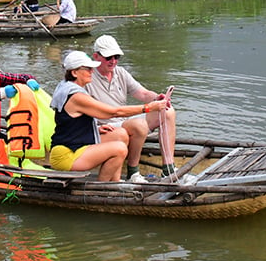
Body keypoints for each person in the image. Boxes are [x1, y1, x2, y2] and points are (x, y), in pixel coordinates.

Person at [49, 50, 167, 182]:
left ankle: (115, 181)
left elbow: (69, 121)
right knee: (120, 149)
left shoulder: (67, 87)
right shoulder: (77, 96)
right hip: (67, 155)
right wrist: (149, 107)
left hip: (76, 144)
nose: (92, 72)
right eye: (88, 69)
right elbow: (113, 112)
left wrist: (94, 128)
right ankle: (102, 188)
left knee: (121, 134)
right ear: (74, 72)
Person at [86, 35, 178, 182]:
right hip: (105, 126)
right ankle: (133, 172)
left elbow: (142, 93)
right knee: (138, 124)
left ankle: (168, 167)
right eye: (109, 57)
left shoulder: (120, 73)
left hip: (123, 120)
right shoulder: (87, 77)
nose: (113, 61)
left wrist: (157, 98)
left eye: (116, 57)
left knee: (167, 111)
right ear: (96, 56)